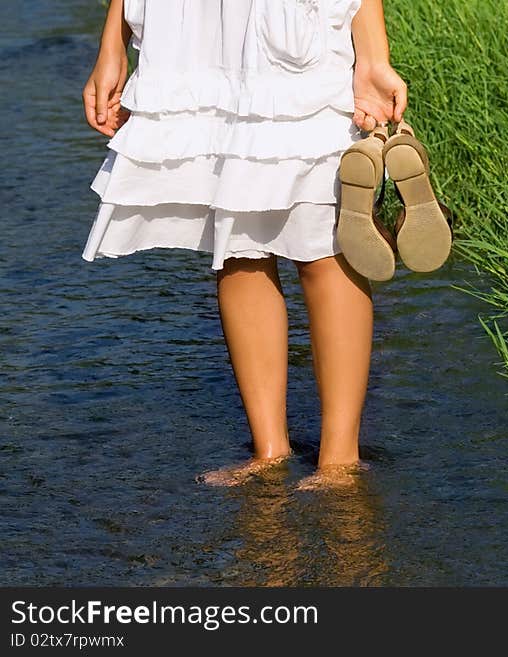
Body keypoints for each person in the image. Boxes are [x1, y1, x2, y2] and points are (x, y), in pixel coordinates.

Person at [80, 0, 408, 486]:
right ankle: (269, 450)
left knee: (321, 234)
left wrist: (373, 55)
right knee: (237, 240)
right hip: (195, 27)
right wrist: (114, 38)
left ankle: (340, 459)